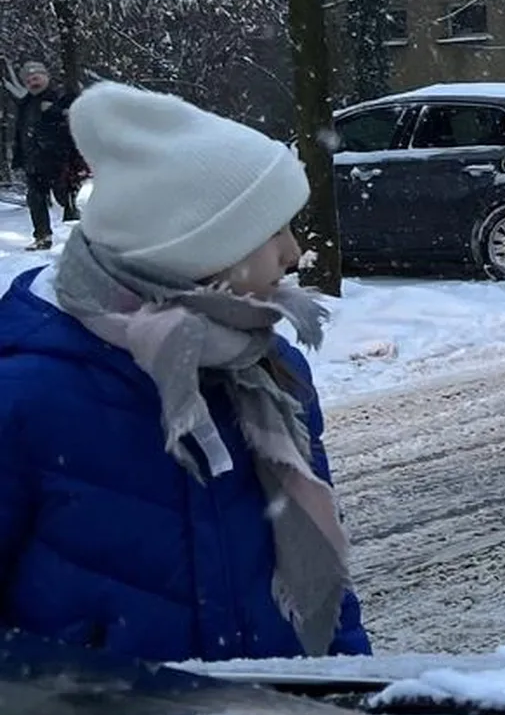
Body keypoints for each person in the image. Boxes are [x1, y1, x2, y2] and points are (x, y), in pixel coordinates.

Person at [0, 82, 369, 662]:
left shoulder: (269, 368)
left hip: (276, 712)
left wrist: (347, 686)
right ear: (193, 250)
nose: (294, 252)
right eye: (272, 232)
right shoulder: (30, 396)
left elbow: (323, 586)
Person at [10, 61, 80, 250]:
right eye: (29, 80)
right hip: (33, 160)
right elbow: (20, 132)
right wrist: (19, 157)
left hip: (61, 160)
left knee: (66, 200)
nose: (33, 82)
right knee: (35, 199)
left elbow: (76, 118)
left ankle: (90, 237)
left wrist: (55, 111)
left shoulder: (62, 95)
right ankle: (42, 237)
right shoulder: (25, 103)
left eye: (36, 78)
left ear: (46, 77)